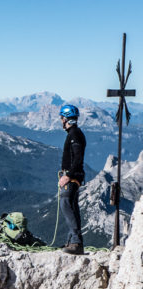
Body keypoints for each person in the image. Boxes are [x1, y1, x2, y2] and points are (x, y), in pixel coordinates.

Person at [59, 104, 86, 255]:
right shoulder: (74, 133)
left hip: (72, 177)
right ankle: (72, 241)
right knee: (72, 207)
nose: (61, 121)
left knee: (66, 204)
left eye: (62, 118)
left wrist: (68, 175)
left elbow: (78, 158)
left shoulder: (74, 134)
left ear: (66, 119)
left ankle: (76, 242)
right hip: (73, 176)